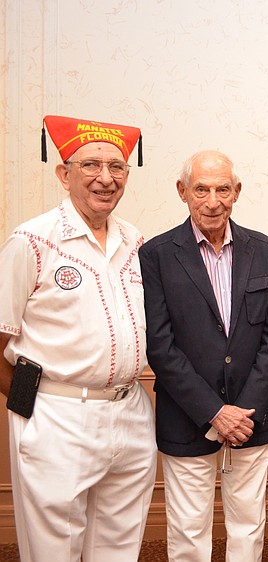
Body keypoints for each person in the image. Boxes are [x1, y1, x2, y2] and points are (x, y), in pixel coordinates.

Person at [0, 115, 156, 561]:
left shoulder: (136, 242)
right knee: (53, 550)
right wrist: (36, 407)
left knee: (119, 548)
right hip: (58, 415)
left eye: (117, 168)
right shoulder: (32, 241)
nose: (105, 179)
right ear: (63, 174)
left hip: (130, 414)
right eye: (90, 165)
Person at [139, 150, 268, 561]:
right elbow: (160, 346)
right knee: (188, 531)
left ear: (236, 192)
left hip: (250, 419)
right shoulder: (157, 255)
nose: (212, 200)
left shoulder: (263, 248)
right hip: (186, 417)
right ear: (182, 192)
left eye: (223, 189)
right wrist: (213, 411)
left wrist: (243, 409)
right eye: (201, 189)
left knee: (249, 524)